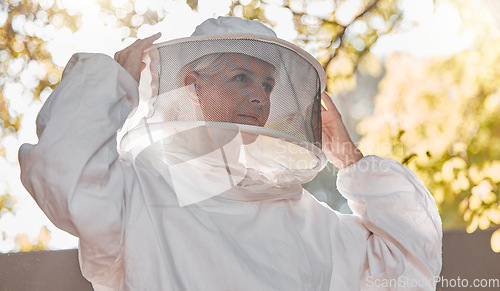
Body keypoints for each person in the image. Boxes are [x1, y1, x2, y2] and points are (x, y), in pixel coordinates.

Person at [19, 17, 442, 290]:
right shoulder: (135, 192)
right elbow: (61, 174)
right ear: (192, 85)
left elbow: (409, 267)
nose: (261, 98)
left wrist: (349, 156)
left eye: (268, 86)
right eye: (242, 77)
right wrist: (109, 80)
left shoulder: (304, 216)